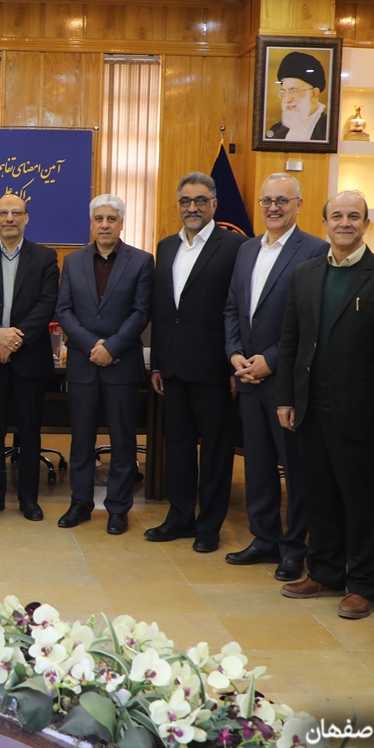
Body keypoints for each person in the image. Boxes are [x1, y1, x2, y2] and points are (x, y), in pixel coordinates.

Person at [275, 190, 374, 619]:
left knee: (362, 504)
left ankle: (363, 585)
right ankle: (325, 573)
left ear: (366, 224)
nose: (344, 223)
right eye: (337, 216)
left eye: (353, 216)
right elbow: (291, 341)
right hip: (311, 410)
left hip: (362, 414)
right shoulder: (305, 274)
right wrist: (286, 398)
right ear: (324, 223)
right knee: (319, 498)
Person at [223, 174, 326, 580]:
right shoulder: (247, 248)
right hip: (248, 378)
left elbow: (310, 321)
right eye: (267, 200)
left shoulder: (314, 250)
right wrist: (234, 354)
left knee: (294, 469)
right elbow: (232, 307)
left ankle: (294, 547)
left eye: (282, 200)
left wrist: (269, 360)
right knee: (258, 464)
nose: (273, 207)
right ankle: (264, 538)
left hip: (286, 381)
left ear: (299, 204)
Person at [147, 172, 246, 552]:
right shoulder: (166, 246)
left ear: (214, 204)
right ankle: (179, 517)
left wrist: (234, 366)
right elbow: (163, 309)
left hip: (215, 369)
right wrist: (157, 363)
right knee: (178, 447)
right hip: (173, 367)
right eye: (185, 201)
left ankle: (209, 526)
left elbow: (238, 309)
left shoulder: (235, 246)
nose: (192, 207)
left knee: (216, 452)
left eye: (200, 200)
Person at [55, 194, 153, 535]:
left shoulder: (141, 261)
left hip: (121, 365)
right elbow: (64, 310)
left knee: (123, 442)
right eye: (99, 219)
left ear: (122, 223)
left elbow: (141, 312)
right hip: (83, 364)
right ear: (92, 223)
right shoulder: (73, 261)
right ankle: (80, 503)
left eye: (112, 219)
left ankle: (118, 508)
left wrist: (111, 347)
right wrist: (91, 345)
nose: (105, 225)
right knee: (81, 440)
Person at [0, 193, 60, 520]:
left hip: (29, 358)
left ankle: (29, 500)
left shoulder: (45, 257)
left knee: (29, 431)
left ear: (26, 218)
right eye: (3, 213)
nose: (9, 218)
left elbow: (47, 303)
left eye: (16, 213)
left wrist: (15, 338)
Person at [264, 52, 329, 141]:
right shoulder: (276, 129)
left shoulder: (328, 129)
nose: (287, 99)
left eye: (293, 91)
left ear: (314, 93)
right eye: (284, 92)